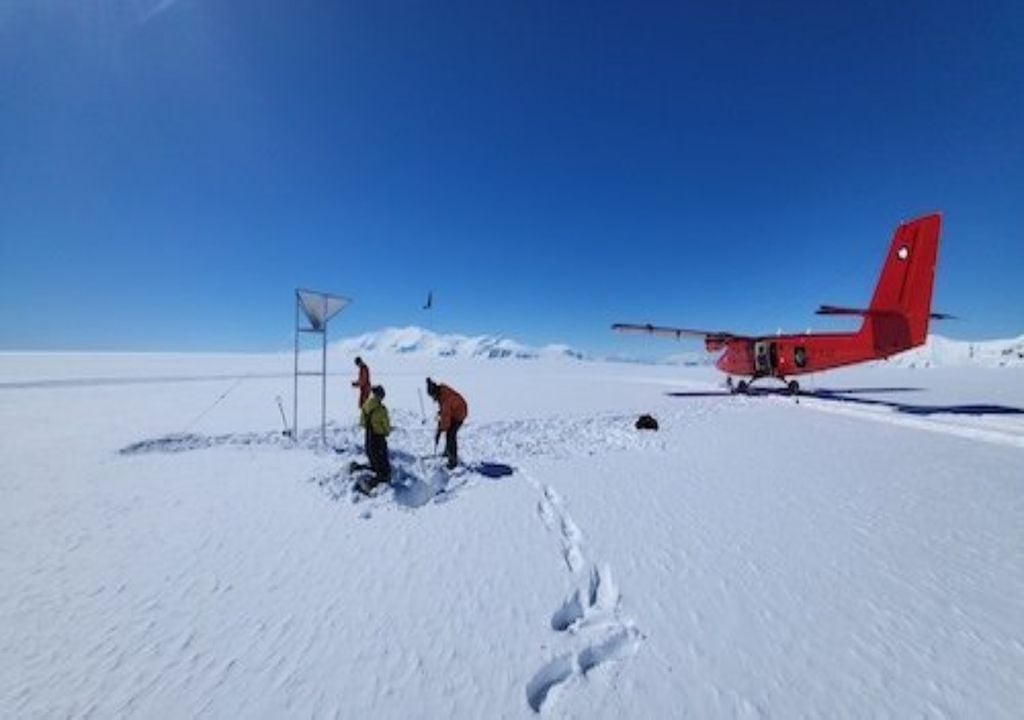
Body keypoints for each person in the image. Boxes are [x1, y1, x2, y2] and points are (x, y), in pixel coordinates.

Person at [426, 377, 468, 469]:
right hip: (454, 410)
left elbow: (446, 420)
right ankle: (447, 451)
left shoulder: (445, 399)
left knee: (450, 435)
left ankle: (453, 460)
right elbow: (445, 411)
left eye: (433, 396)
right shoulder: (441, 392)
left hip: (459, 413)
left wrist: (439, 430)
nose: (433, 398)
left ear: (435, 392)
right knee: (448, 432)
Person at [359, 385, 391, 490]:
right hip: (379, 437)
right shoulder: (381, 410)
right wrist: (386, 431)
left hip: (368, 435)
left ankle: (374, 468)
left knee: (371, 454)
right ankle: (382, 476)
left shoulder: (366, 405)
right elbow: (386, 426)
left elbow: (362, 422)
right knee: (382, 457)